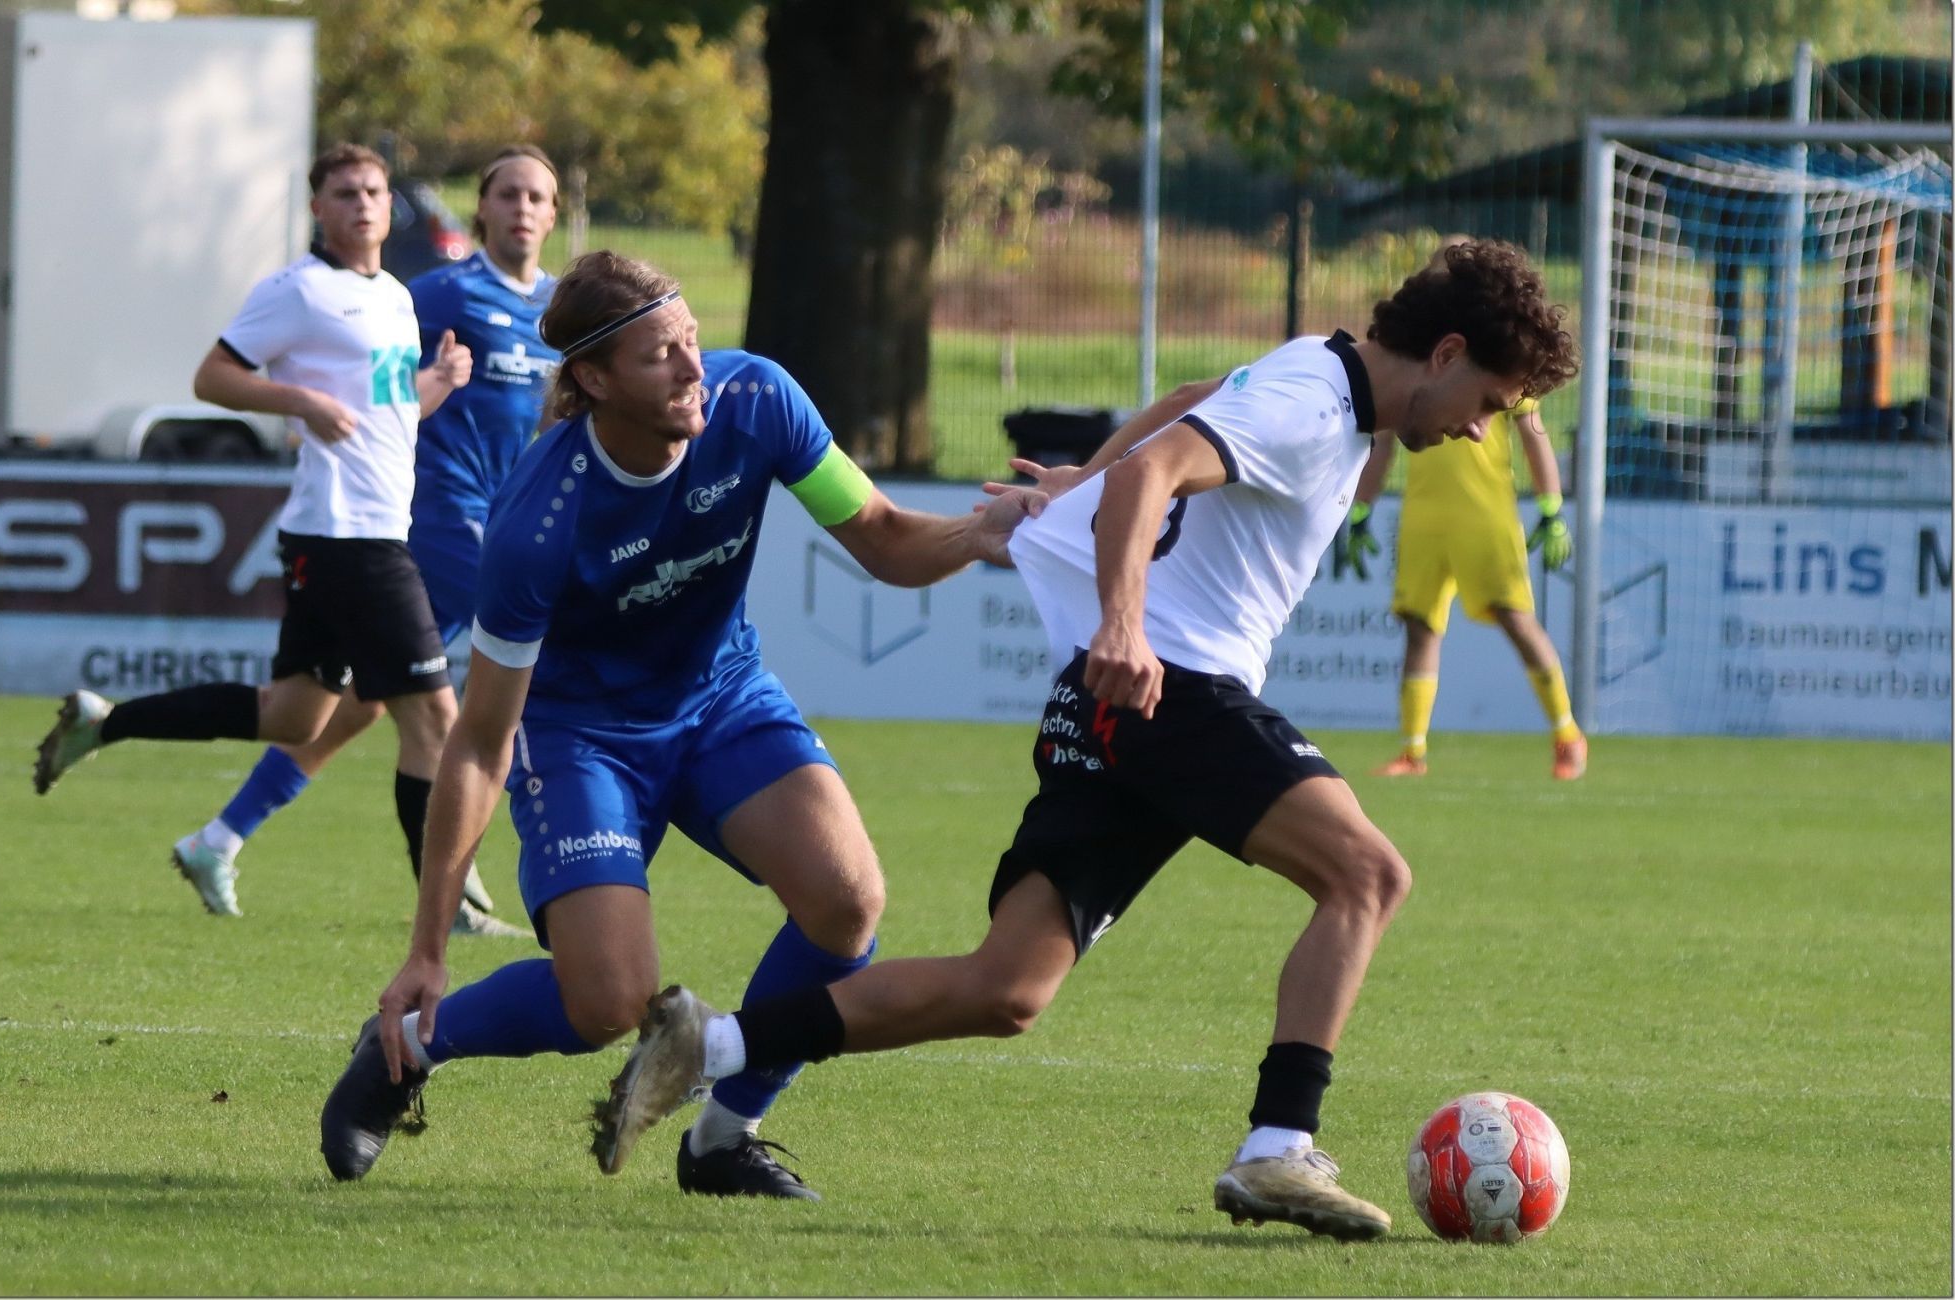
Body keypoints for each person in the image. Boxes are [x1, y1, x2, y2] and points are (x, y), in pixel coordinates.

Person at [589, 239, 1579, 1237]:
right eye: (1488, 404)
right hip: (1169, 687)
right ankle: (1277, 1148)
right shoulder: (1312, 401)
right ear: (1445, 352)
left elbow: (1191, 396)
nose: (1476, 431)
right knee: (1366, 875)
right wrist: (1120, 618)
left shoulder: (1318, 376)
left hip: (1118, 704)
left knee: (1003, 987)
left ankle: (707, 1045)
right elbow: (1155, 471)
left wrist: (1077, 481)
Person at [316, 250, 1048, 1200]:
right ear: (592, 379)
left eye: (693, 340)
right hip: (581, 735)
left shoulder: (758, 401)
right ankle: (406, 1050)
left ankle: (720, 1140)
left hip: (720, 697)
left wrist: (976, 534)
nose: (694, 368)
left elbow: (882, 535)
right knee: (609, 1001)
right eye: (662, 355)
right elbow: (481, 742)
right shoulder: (536, 524)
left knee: (846, 900)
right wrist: (428, 951)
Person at [32, 143, 473, 922]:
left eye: (373, 190)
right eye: (344, 193)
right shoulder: (299, 291)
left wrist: (434, 384)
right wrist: (299, 402)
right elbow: (214, 377)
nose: (364, 203)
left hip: (357, 531)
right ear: (318, 209)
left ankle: (107, 724)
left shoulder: (397, 299)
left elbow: (386, 414)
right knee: (434, 721)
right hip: (348, 538)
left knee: (295, 717)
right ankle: (444, 919)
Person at [165, 145, 565, 932]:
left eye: (537, 197)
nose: (522, 208)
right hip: (442, 521)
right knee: (483, 694)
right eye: (508, 193)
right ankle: (466, 879)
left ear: (554, 214)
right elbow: (378, 389)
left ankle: (221, 835)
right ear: (481, 208)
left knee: (367, 704)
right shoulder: (440, 293)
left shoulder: (560, 310)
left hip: (511, 521)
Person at [1341, 239, 1586, 781]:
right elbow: (1382, 439)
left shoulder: (1496, 358)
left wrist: (1550, 505)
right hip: (1426, 514)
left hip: (1485, 511)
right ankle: (1413, 749)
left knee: (1515, 618)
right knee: (1419, 626)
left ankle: (1567, 733)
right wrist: (1361, 509)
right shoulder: (1414, 366)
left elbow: (1535, 435)